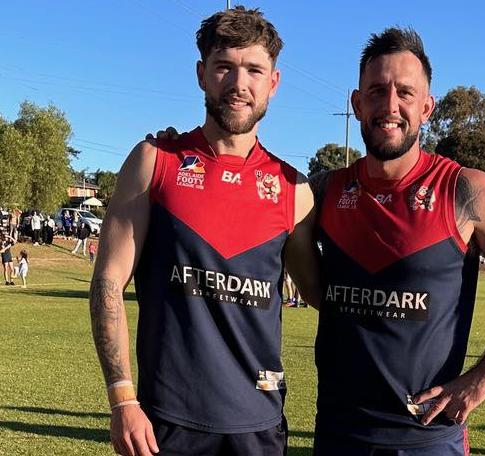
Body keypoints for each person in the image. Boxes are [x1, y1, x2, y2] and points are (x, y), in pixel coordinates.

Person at [311, 28, 485, 455]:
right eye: (376, 91)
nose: (390, 105)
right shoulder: (323, 192)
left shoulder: (467, 191)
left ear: (427, 107)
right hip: (339, 435)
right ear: (357, 103)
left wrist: (483, 378)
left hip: (427, 439)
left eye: (405, 93)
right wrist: (171, 149)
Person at [89, 7, 319, 456]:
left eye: (254, 69)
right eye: (224, 67)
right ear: (201, 74)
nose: (239, 84)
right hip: (164, 424)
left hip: (260, 426)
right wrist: (122, 398)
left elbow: (324, 294)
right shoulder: (156, 162)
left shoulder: (294, 190)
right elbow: (107, 282)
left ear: (273, 82)